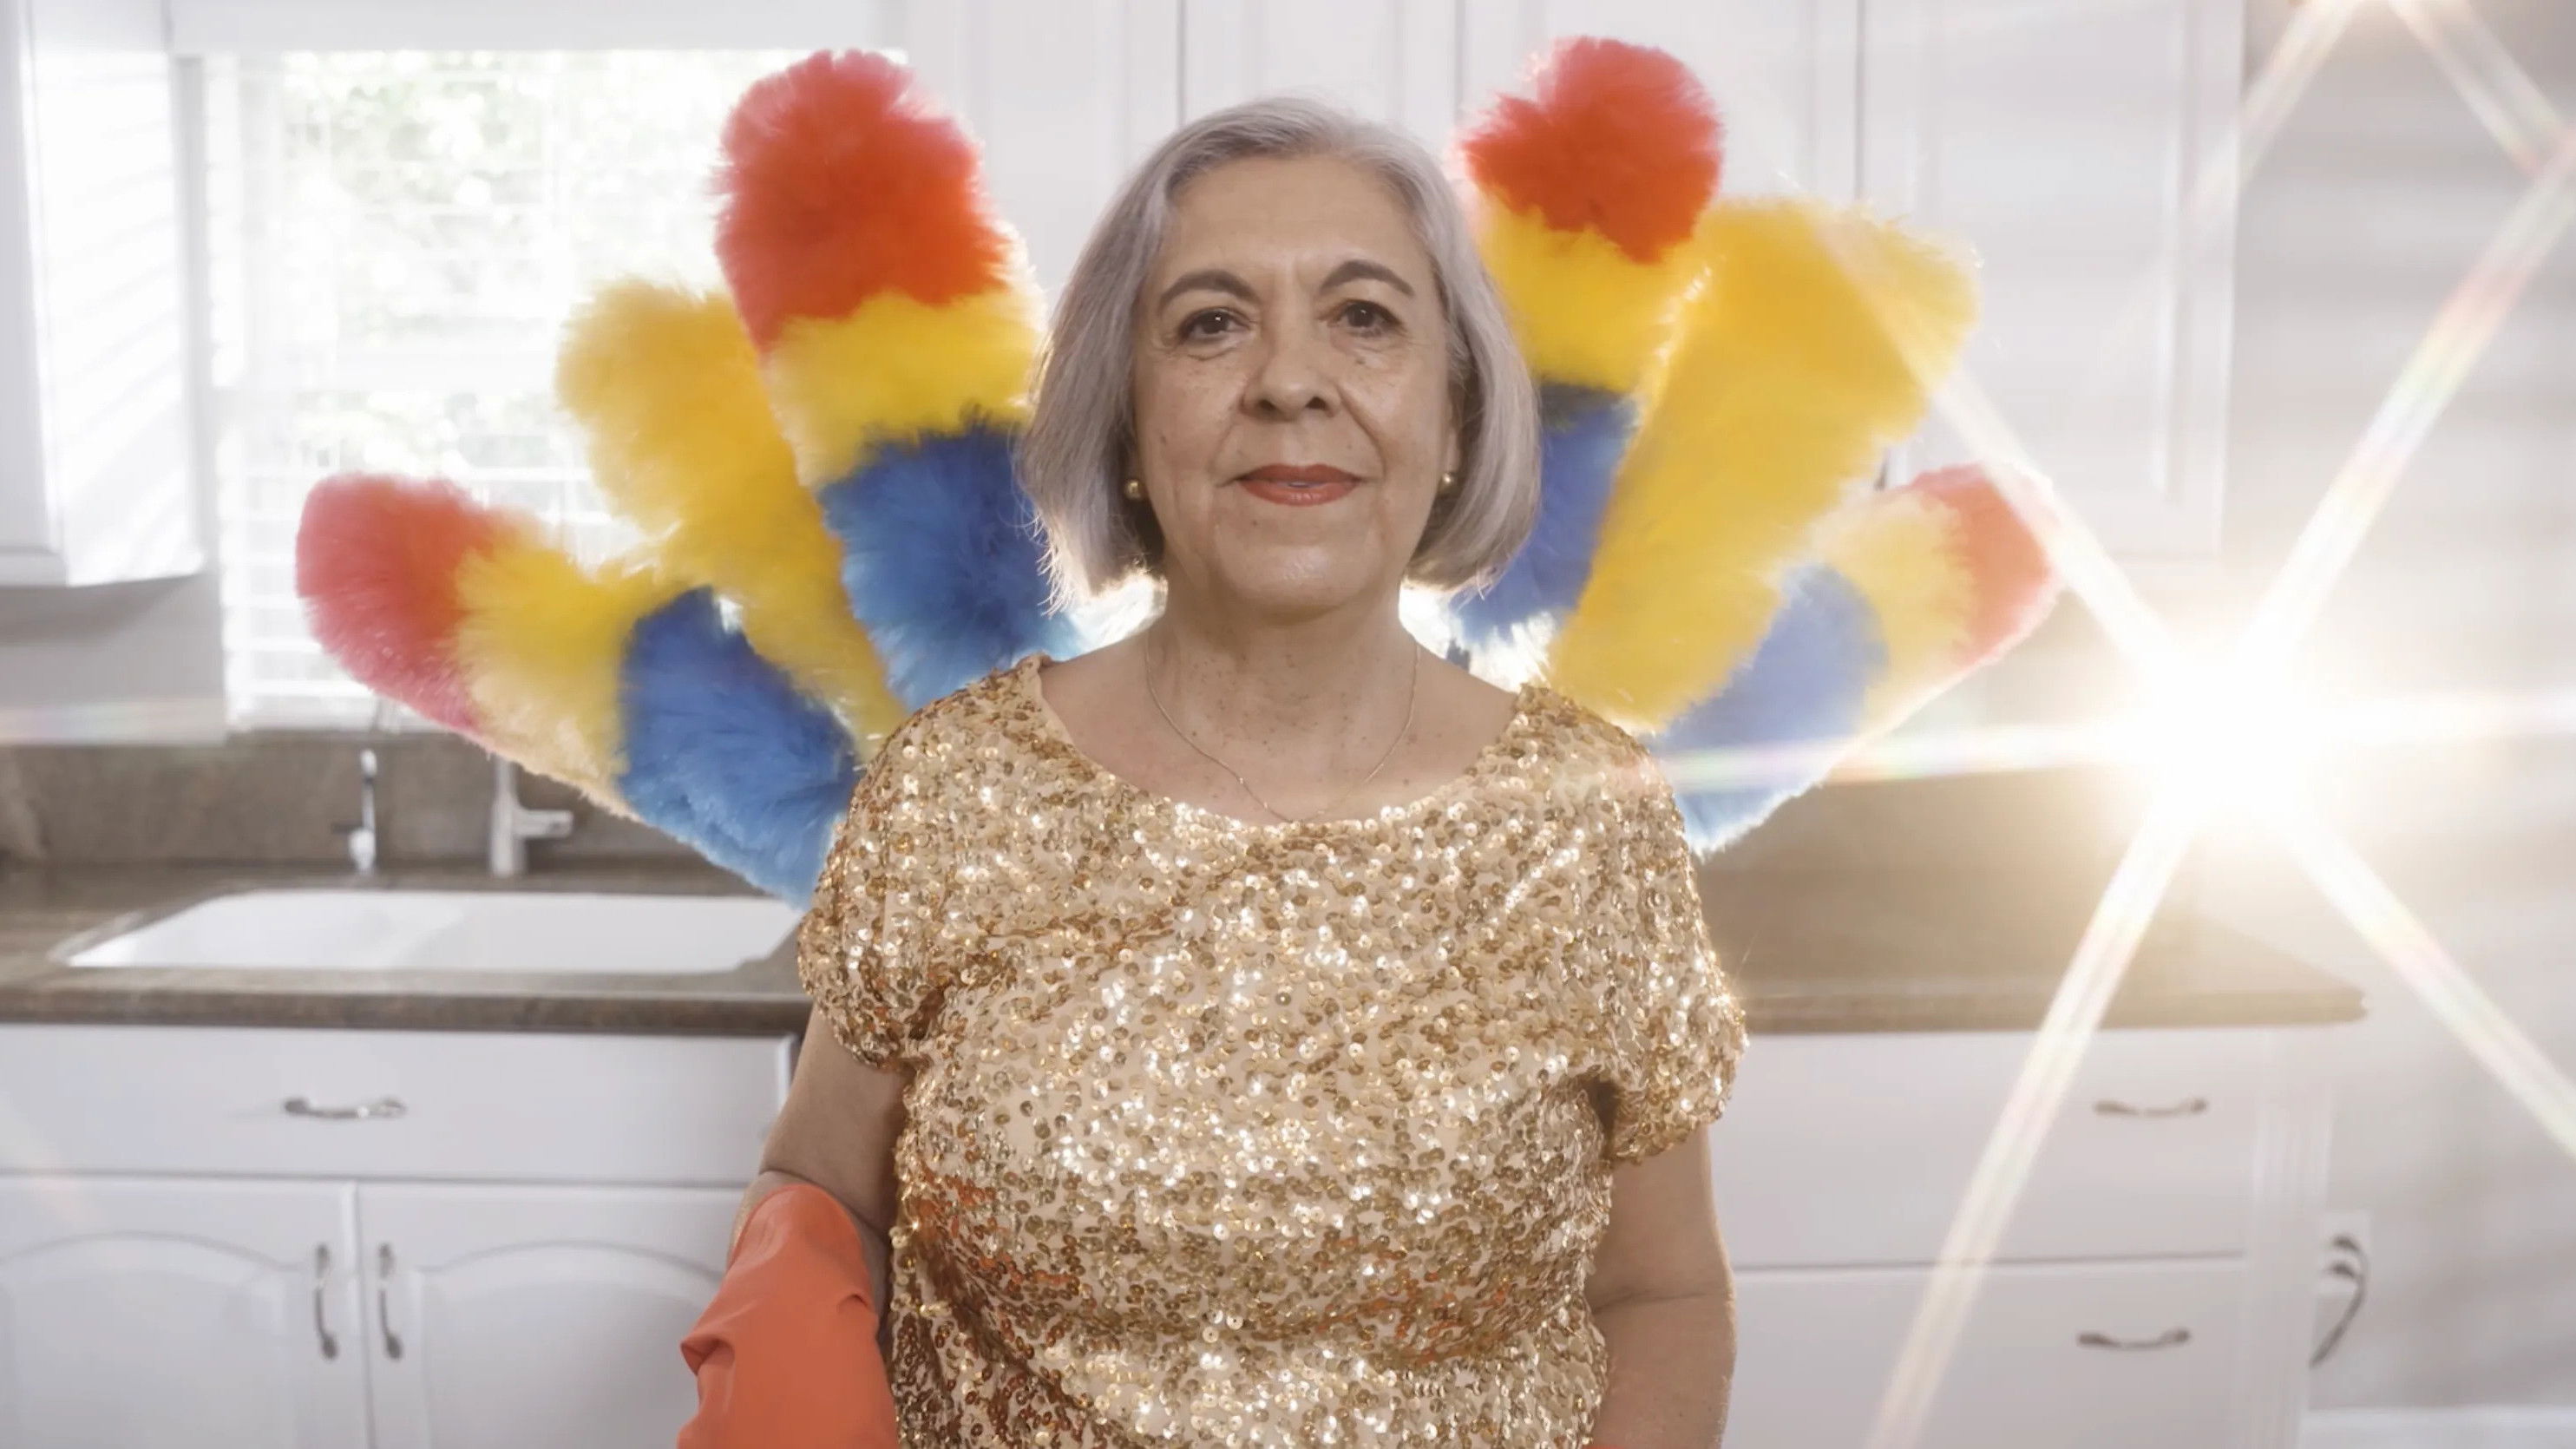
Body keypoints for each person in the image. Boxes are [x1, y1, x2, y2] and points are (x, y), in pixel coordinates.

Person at [683, 94, 1745, 1448]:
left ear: (1455, 412)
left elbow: (1662, 1290)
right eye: (1209, 323)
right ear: (1125, 420)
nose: (1290, 381)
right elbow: (821, 1188)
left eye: (1363, 316)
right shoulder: (952, 791)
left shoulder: (1588, 820)